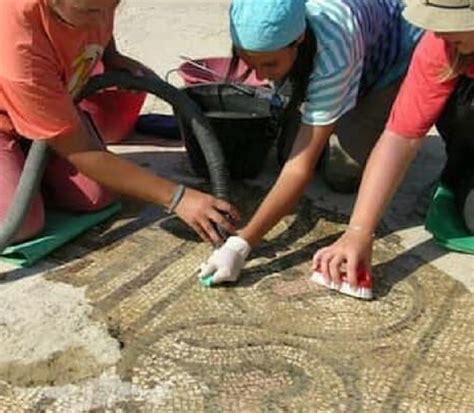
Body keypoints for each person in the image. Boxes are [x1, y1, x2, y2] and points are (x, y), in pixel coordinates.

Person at [199, 0, 422, 285]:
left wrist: (241, 244)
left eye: (269, 64)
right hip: (335, 53)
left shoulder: (335, 48)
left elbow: (298, 168)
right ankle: (332, 108)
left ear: (300, 39)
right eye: (250, 62)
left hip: (387, 59)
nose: (260, 75)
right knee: (285, 154)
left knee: (341, 175)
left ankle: (357, 113)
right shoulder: (269, 25)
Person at [0, 0, 238, 246]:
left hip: (46, 103)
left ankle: (33, 156)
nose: (101, 20)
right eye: (91, 11)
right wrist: (177, 197)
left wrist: (111, 56)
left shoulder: (90, 7)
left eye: (112, 6)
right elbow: (82, 151)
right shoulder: (20, 44)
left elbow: (99, 19)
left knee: (96, 196)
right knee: (22, 224)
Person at [313, 0, 474, 288]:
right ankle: (455, 182)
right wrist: (359, 231)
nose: (439, 32)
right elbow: (400, 137)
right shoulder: (440, 45)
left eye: (452, 22)